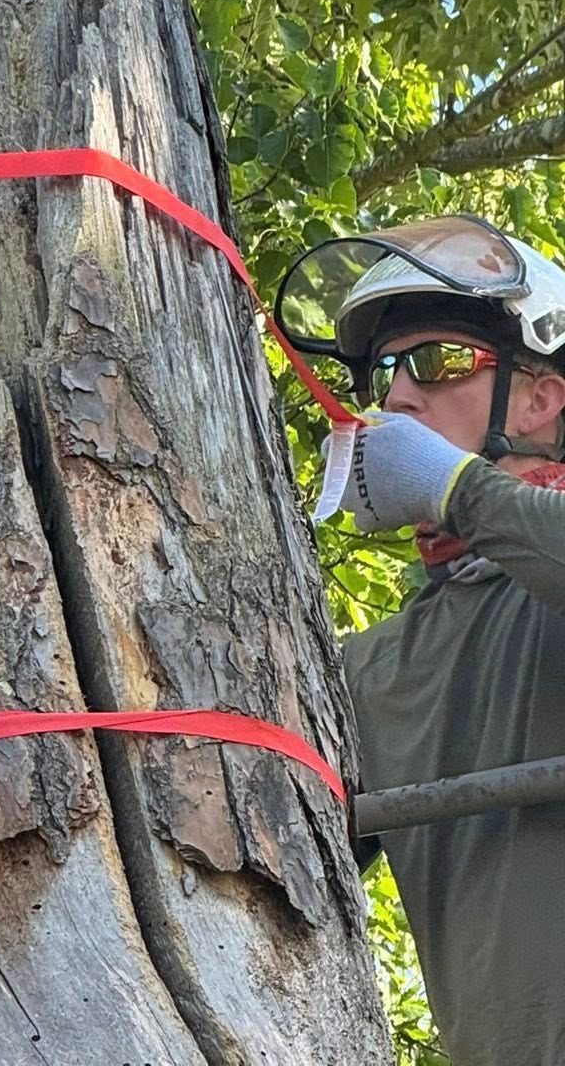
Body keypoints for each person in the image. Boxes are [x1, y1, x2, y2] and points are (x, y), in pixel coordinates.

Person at [275, 214, 565, 1066]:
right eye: (385, 375)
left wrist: (460, 488)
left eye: (436, 362)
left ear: (543, 396)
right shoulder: (372, 671)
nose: (397, 397)